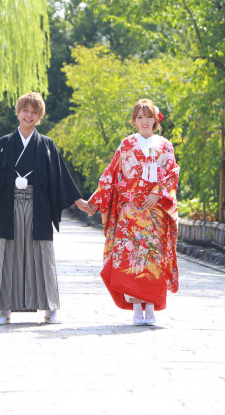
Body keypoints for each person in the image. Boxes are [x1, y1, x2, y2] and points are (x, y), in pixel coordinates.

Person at [0, 91, 92, 325]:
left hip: (39, 208)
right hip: (9, 206)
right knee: (7, 255)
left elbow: (61, 178)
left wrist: (80, 202)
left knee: (42, 255)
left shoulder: (47, 145)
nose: (29, 115)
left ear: (39, 117)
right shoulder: (3, 144)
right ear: (18, 112)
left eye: (34, 112)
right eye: (25, 110)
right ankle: (3, 307)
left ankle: (50, 307)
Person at [87, 98, 180, 325]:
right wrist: (94, 201)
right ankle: (137, 308)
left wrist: (158, 193)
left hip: (154, 211)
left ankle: (152, 309)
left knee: (152, 259)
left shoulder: (165, 146)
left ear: (156, 120)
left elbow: (171, 173)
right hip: (130, 212)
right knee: (132, 259)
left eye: (149, 116)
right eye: (140, 117)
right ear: (134, 121)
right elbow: (111, 174)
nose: (144, 121)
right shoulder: (126, 144)